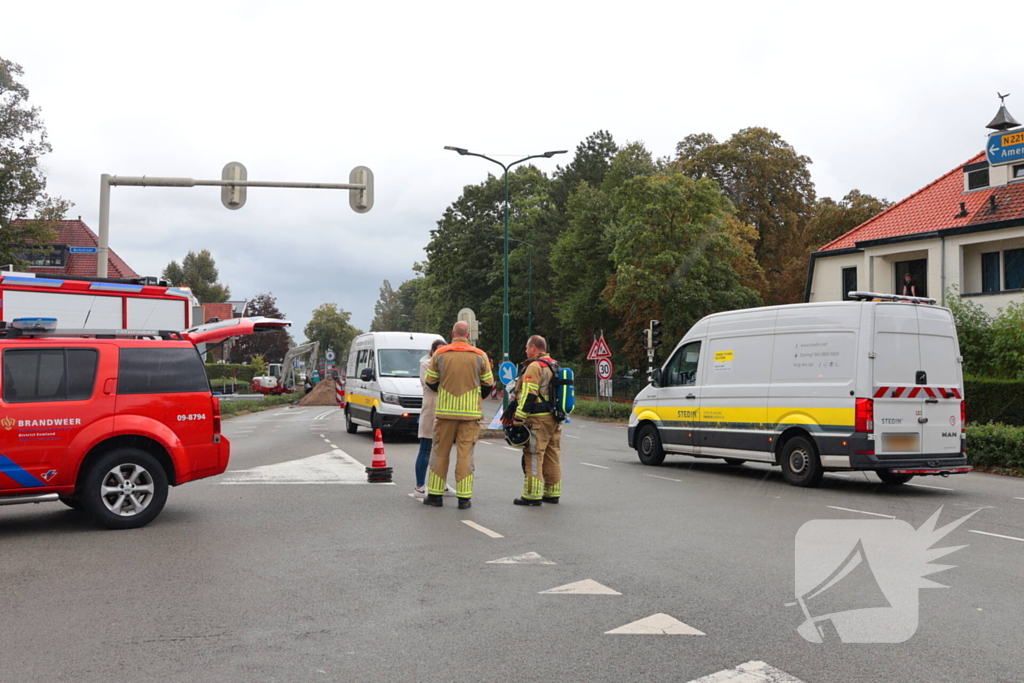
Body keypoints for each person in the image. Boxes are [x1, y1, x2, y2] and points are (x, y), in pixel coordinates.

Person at [423, 321, 494, 509]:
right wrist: (476, 396)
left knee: (440, 453)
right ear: (468, 335)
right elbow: (488, 385)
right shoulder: (480, 355)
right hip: (470, 414)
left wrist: (445, 390)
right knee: (465, 454)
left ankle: (435, 496)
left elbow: (430, 382)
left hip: (445, 413)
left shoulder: (440, 354)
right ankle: (464, 499)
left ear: (452, 334)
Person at [511, 335, 562, 506]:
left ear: (533, 347)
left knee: (533, 454)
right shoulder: (554, 365)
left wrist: (519, 417)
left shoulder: (535, 366)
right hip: (554, 418)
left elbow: (529, 393)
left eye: (527, 348)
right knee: (552, 453)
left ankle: (532, 495)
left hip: (538, 419)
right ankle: (552, 492)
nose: (526, 351)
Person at [413, 338, 448, 497]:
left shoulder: (447, 365)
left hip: (445, 410)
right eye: (438, 351)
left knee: (442, 451)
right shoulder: (426, 365)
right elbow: (434, 383)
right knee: (426, 448)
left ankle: (441, 483)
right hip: (430, 410)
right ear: (432, 351)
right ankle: (420, 486)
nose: (441, 354)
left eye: (444, 351)